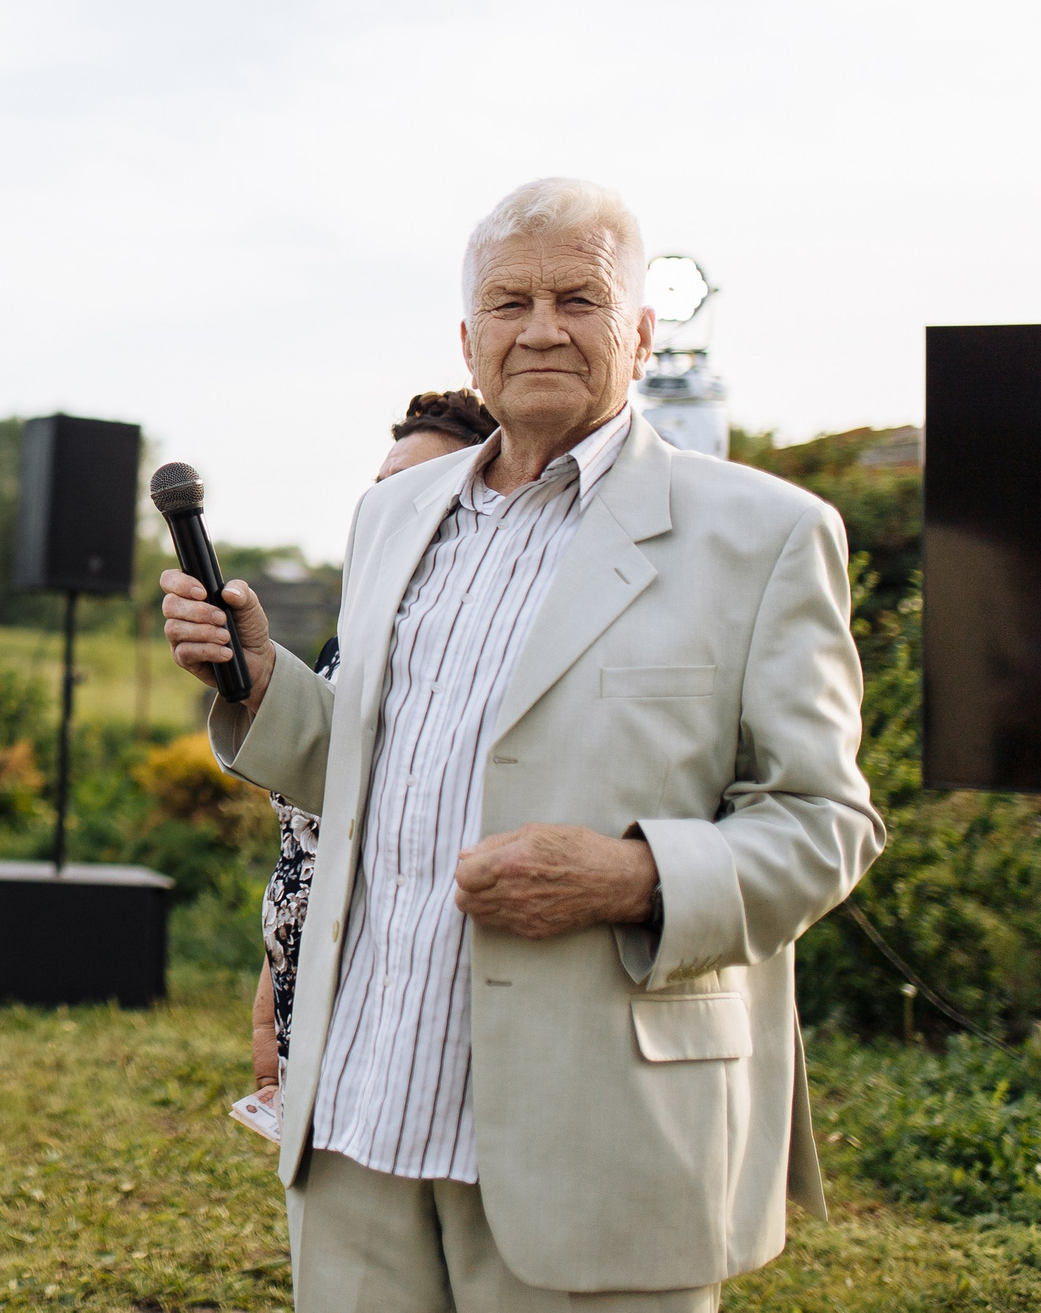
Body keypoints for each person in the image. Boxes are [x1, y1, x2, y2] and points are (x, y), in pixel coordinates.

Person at [165, 177, 884, 1311]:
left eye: (577, 299)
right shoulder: (393, 516)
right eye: (509, 303)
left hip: (596, 1137)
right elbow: (383, 769)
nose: (541, 329)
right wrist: (263, 684)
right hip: (360, 1114)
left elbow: (825, 822)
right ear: (469, 339)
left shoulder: (767, 533)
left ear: (641, 332)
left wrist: (637, 877)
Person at [252, 389, 497, 1110]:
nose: (389, 504)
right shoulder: (350, 640)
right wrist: (276, 970)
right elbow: (312, 830)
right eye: (381, 486)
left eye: (417, 485)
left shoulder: (483, 651)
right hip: (306, 968)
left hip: (402, 989)